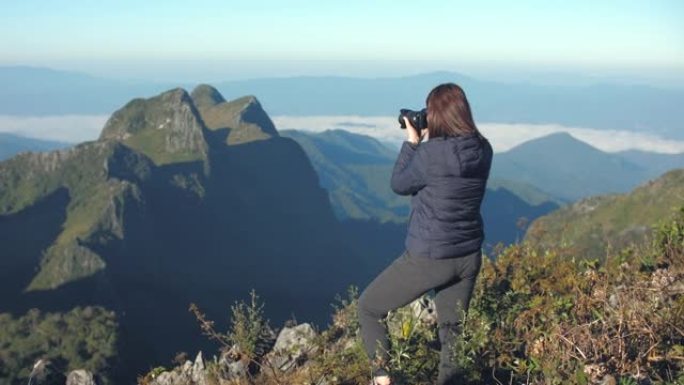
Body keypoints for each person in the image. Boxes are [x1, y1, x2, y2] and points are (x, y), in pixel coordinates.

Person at [357, 83, 493, 385]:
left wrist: (413, 142)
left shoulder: (431, 154)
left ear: (437, 117)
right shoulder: (484, 149)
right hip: (468, 256)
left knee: (369, 308)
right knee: (452, 333)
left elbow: (399, 183)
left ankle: (382, 378)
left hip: (430, 256)